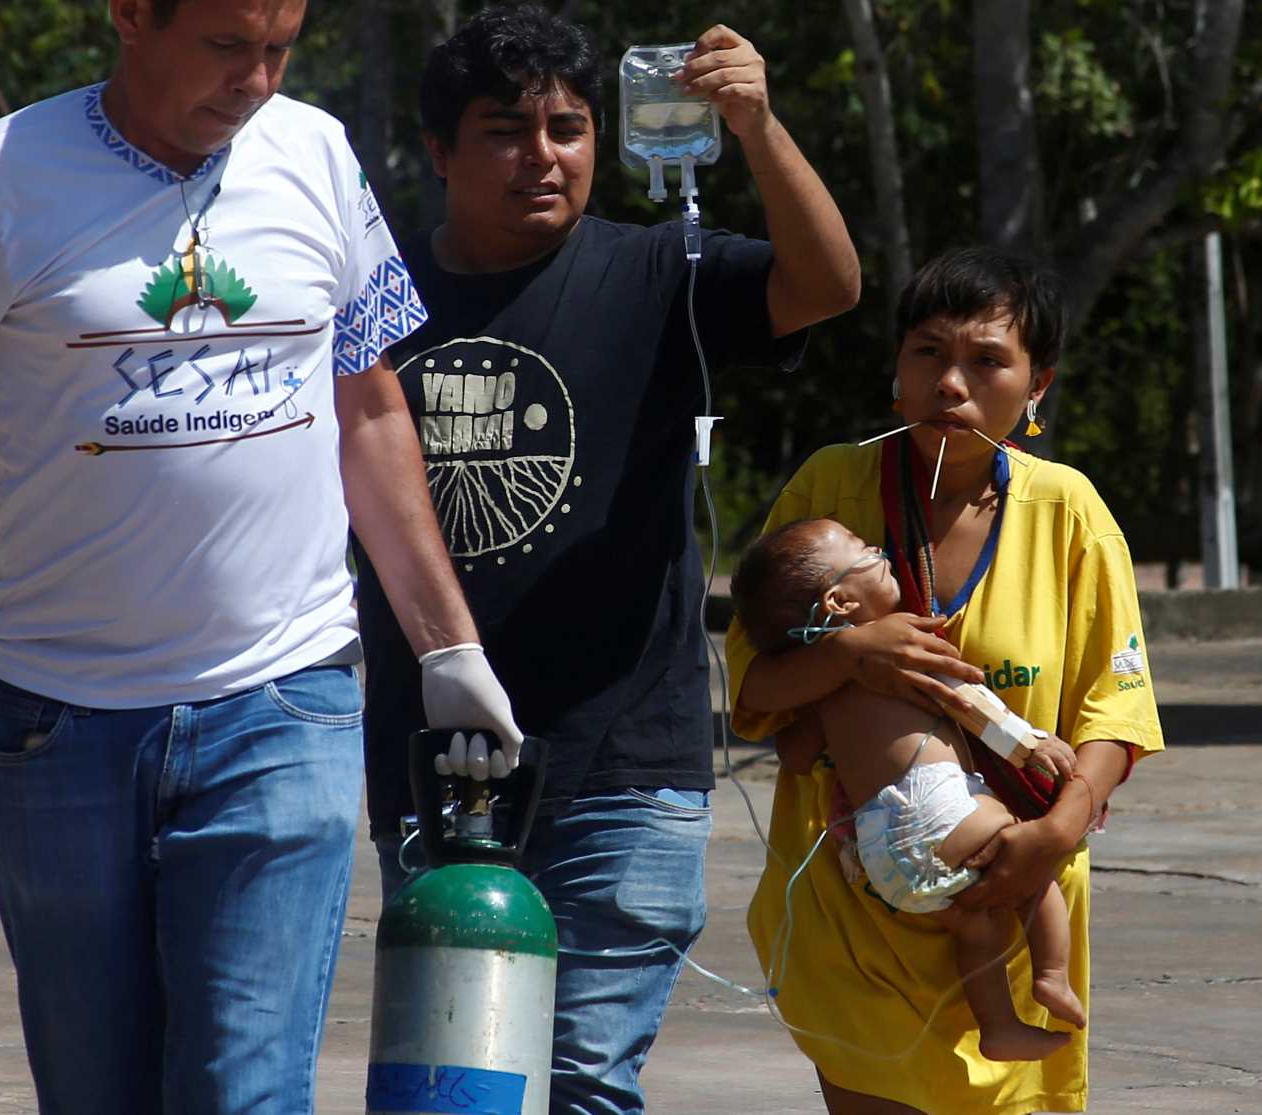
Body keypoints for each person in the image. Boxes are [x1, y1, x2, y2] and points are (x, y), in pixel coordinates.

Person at [0, 1, 521, 1111]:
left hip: (281, 705)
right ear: (132, 16)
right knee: (96, 1090)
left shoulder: (315, 155)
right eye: (224, 46)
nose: (255, 80)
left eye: (278, 47)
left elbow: (370, 408)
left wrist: (449, 644)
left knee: (240, 1091)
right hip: (59, 727)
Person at [351, 4, 859, 1111]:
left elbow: (826, 285)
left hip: (625, 765)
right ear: (438, 150)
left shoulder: (657, 270)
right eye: (503, 131)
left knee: (582, 1076)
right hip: (435, 764)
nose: (542, 156)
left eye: (569, 128)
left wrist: (759, 128)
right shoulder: (370, 292)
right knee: (460, 1080)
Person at [725, 248, 1165, 1114]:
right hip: (856, 911)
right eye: (928, 353)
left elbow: (1117, 704)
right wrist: (854, 655)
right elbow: (754, 682)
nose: (951, 384)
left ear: (1038, 384)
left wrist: (1061, 827)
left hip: (1015, 880)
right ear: (896, 370)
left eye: (988, 360)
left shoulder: (1069, 510)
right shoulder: (830, 487)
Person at [730, 516, 1086, 1062]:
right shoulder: (905, 647)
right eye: (861, 551)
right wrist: (1030, 744)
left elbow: (797, 757)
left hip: (879, 857)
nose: (876, 547)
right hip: (932, 807)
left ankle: (999, 1027)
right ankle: (1053, 977)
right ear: (840, 603)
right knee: (1034, 868)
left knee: (974, 923)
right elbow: (965, 698)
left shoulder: (822, 685)